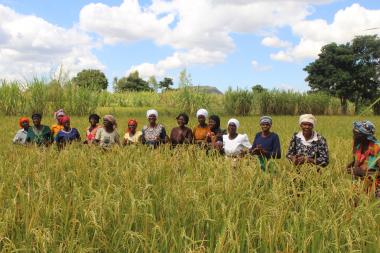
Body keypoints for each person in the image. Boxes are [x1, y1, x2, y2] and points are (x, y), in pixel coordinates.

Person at [347, 121, 380, 198]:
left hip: (375, 187)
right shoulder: (359, 146)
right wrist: (350, 168)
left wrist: (361, 172)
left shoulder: (377, 148)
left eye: (356, 133)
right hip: (359, 186)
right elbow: (356, 165)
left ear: (365, 136)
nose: (354, 136)